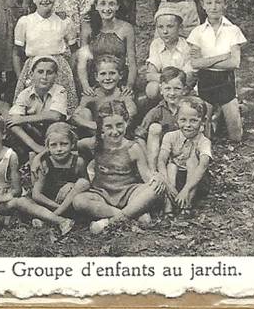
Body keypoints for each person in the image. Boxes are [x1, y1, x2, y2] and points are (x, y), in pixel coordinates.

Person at [74, 100, 162, 234]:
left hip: (129, 193)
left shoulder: (133, 148)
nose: (115, 131)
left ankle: (110, 222)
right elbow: (69, 147)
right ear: (101, 127)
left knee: (154, 190)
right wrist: (40, 157)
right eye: (109, 126)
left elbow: (146, 177)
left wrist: (156, 179)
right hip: (102, 195)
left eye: (119, 125)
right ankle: (128, 216)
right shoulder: (93, 144)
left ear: (126, 123)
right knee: (79, 201)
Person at [187, 0, 247, 141]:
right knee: (204, 137)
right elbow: (195, 64)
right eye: (209, 3)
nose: (214, 7)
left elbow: (234, 63)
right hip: (206, 82)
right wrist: (221, 57)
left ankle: (224, 113)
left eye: (218, 2)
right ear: (203, 6)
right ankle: (214, 114)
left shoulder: (233, 30)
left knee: (236, 137)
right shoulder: (197, 32)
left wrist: (205, 61)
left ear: (225, 5)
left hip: (226, 82)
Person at [12, 0, 78, 110]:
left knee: (59, 107)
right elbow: (16, 53)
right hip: (33, 70)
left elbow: (75, 51)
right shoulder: (25, 22)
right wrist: (21, 77)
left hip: (58, 70)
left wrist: (67, 71)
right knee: (31, 106)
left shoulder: (64, 22)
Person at [77, 0, 137, 97]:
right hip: (95, 79)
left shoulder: (126, 28)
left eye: (111, 4)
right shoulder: (88, 26)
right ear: (96, 6)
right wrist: (85, 86)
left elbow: (132, 62)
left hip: (118, 79)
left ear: (118, 6)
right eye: (103, 4)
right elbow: (82, 62)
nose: (107, 8)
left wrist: (129, 85)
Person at [157, 96, 212, 212]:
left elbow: (202, 166)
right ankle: (169, 206)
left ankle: (186, 205)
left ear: (203, 121)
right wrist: (168, 185)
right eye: (183, 120)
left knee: (191, 161)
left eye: (193, 120)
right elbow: (161, 161)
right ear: (176, 119)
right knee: (171, 166)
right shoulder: (170, 136)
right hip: (175, 179)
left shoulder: (204, 142)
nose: (187, 125)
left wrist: (186, 189)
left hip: (196, 181)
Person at [7, 55, 70, 156]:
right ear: (32, 74)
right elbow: (13, 120)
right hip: (34, 136)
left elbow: (55, 116)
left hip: (54, 134)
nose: (44, 77)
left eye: (49, 73)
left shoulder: (60, 90)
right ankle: (33, 153)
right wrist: (35, 146)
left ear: (56, 76)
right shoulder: (25, 93)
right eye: (40, 72)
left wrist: (23, 119)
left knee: (58, 125)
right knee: (14, 129)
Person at [30, 122, 90, 224]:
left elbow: (85, 185)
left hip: (71, 202)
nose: (59, 149)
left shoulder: (78, 162)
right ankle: (57, 213)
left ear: (72, 144)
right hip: (50, 203)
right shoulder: (45, 164)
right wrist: (57, 206)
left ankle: (51, 218)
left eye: (64, 144)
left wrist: (72, 185)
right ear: (47, 147)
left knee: (82, 185)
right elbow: (36, 194)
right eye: (54, 145)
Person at [73, 54, 137, 140]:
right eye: (103, 74)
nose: (107, 78)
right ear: (96, 77)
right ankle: (97, 146)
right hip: (97, 134)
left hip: (119, 133)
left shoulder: (123, 93)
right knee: (84, 112)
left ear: (120, 75)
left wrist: (114, 126)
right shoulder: (92, 94)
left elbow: (132, 114)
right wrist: (94, 126)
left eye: (112, 73)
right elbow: (76, 117)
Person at [134, 66, 188, 169]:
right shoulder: (157, 112)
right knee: (155, 127)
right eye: (167, 88)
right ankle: (153, 171)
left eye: (177, 89)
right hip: (162, 156)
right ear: (161, 90)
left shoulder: (189, 109)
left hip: (184, 154)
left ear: (184, 90)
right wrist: (147, 157)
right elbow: (139, 136)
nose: (172, 93)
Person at [143, 12, 194, 103]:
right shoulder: (156, 44)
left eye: (170, 26)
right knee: (151, 89)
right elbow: (150, 74)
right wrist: (168, 82)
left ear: (180, 27)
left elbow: (189, 76)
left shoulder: (187, 46)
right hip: (165, 85)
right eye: (160, 27)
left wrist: (169, 81)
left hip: (182, 86)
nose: (165, 31)